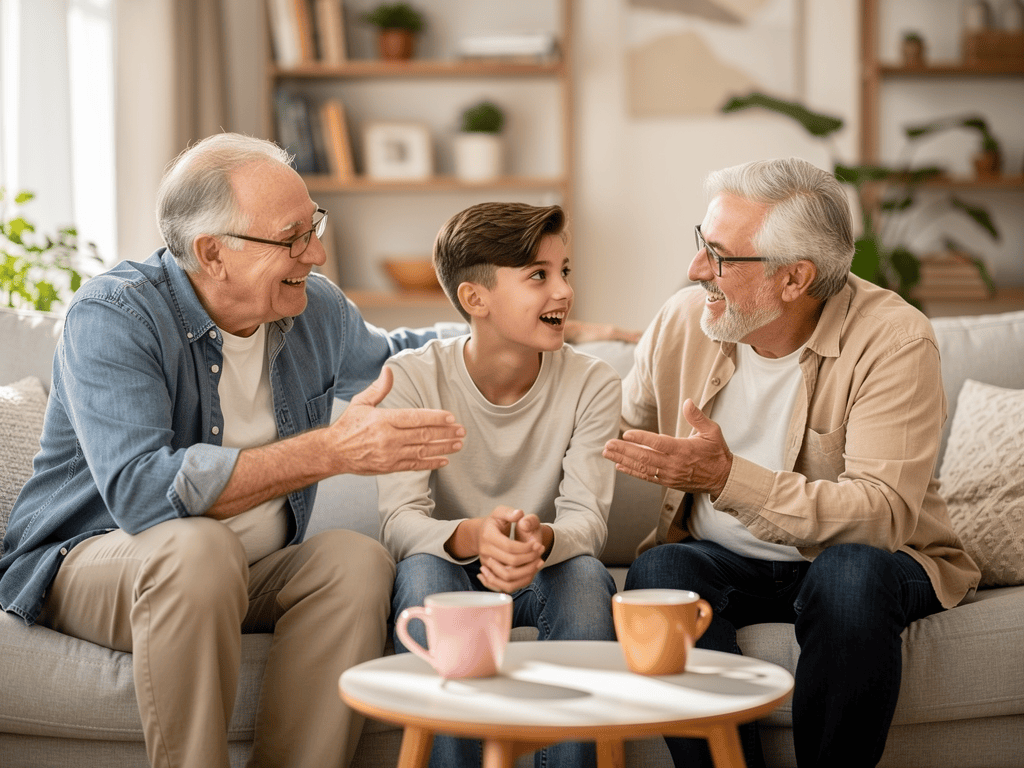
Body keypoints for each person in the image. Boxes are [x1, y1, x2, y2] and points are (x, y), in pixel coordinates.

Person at [0, 133, 471, 768]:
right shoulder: (115, 314)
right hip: (93, 563)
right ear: (212, 252)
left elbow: (402, 358)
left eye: (315, 227)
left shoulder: (312, 310)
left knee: (354, 561)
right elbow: (142, 492)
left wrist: (514, 326)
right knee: (199, 546)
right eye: (293, 237)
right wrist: (328, 451)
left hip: (245, 571)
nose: (319, 252)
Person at [602, 157, 980, 768]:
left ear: (793, 279)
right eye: (702, 243)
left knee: (849, 575)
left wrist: (726, 479)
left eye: (720, 256)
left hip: (872, 560)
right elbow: (617, 431)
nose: (697, 270)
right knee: (660, 574)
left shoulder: (894, 339)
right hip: (727, 561)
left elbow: (881, 515)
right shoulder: (684, 321)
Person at [377, 202, 621, 768]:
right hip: (453, 565)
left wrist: (541, 542)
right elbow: (398, 522)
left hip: (546, 565)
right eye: (539, 275)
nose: (562, 291)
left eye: (566, 271)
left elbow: (588, 519)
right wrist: (474, 536)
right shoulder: (412, 379)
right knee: (420, 576)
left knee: (586, 577)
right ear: (474, 299)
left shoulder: (594, 383)